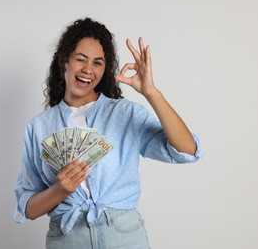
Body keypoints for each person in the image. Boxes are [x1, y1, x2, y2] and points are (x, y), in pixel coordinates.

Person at [13, 18, 203, 249]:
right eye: (80, 59)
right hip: (68, 239)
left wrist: (151, 93)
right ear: (64, 59)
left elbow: (187, 150)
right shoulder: (38, 127)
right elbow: (29, 208)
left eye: (97, 63)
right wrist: (60, 189)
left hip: (124, 236)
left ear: (105, 69)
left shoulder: (125, 113)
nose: (88, 70)